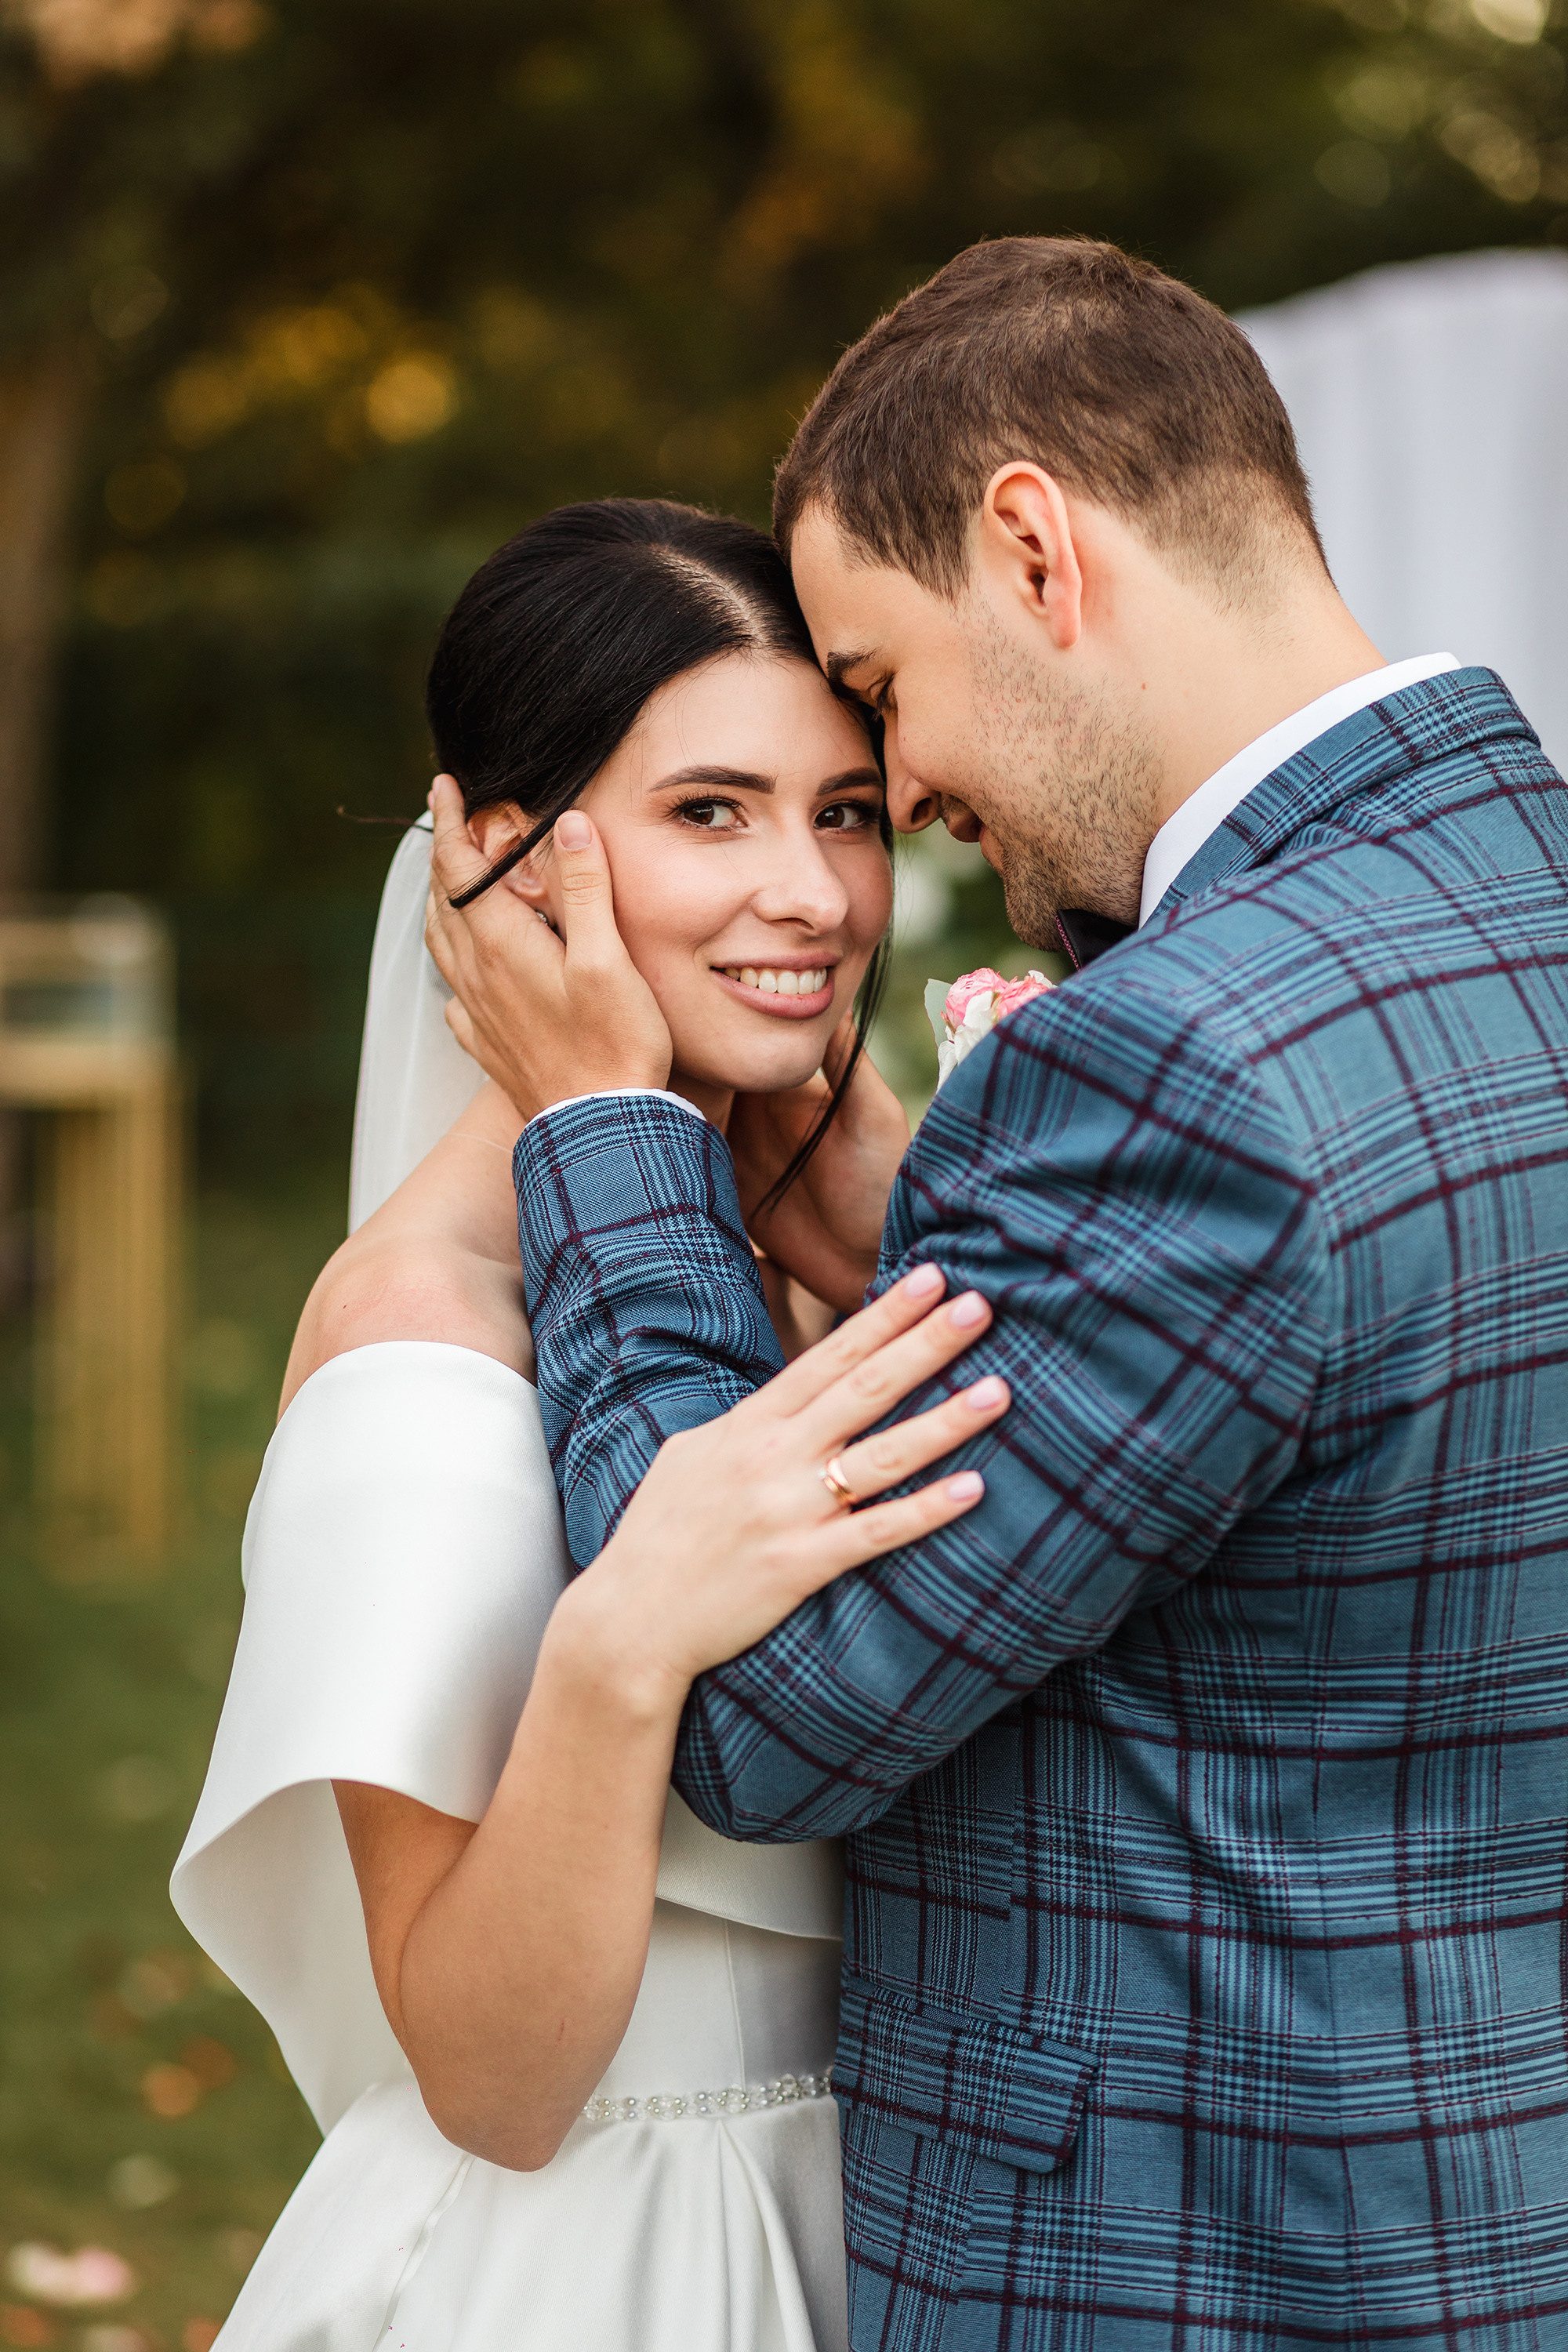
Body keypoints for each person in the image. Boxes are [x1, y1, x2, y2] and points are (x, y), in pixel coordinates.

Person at [425, 239, 1568, 2350]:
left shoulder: (1187, 1058)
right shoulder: (1520, 903)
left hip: (1199, 2273)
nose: (906, 793)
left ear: (1036, 551)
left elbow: (765, 1713)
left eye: (876, 684)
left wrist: (611, 1133)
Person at [170, 499, 1012, 2352]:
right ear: (499, 858)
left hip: (912, 2228)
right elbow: (493, 2074)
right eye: (709, 811)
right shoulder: (418, 1347)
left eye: (844, 812)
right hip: (616, 2267)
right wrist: (627, 1639)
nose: (809, 892)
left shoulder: (828, 1265)